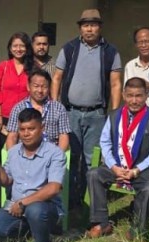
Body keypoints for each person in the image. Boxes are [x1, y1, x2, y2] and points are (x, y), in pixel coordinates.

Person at [52, 9, 124, 208]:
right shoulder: (69, 48)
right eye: (86, 25)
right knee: (71, 156)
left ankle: (90, 201)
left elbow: (116, 84)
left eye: (93, 25)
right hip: (70, 112)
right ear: (80, 28)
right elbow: (57, 78)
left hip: (97, 114)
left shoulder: (110, 51)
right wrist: (55, 106)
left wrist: (114, 113)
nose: (89, 29)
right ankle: (70, 198)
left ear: (100, 27)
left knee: (92, 158)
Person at [84, 78, 149, 240]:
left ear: (146, 95)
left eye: (138, 96)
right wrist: (113, 166)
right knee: (93, 174)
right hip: (117, 166)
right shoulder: (114, 115)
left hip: (142, 169)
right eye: (130, 96)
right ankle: (101, 223)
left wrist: (137, 170)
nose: (134, 101)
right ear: (123, 95)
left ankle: (139, 230)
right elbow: (105, 142)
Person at [0, 108, 66, 242]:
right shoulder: (13, 152)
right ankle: (31, 231)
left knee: (35, 211)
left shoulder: (55, 153)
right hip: (16, 205)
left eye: (31, 129)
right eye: (22, 129)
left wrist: (23, 203)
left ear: (42, 128)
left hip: (44, 207)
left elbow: (54, 188)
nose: (26, 134)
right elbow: (6, 181)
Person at [5, 71, 70, 151]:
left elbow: (64, 136)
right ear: (28, 86)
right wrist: (13, 156)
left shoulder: (59, 108)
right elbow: (12, 136)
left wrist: (57, 156)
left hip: (51, 154)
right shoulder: (18, 108)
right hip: (24, 154)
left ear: (49, 88)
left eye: (44, 87)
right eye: (36, 86)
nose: (40, 90)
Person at [0, 32, 33, 147]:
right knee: (6, 151)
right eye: (15, 46)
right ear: (10, 48)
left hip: (27, 118)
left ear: (27, 48)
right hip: (5, 117)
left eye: (22, 46)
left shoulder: (33, 68)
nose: (18, 49)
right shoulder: (3, 66)